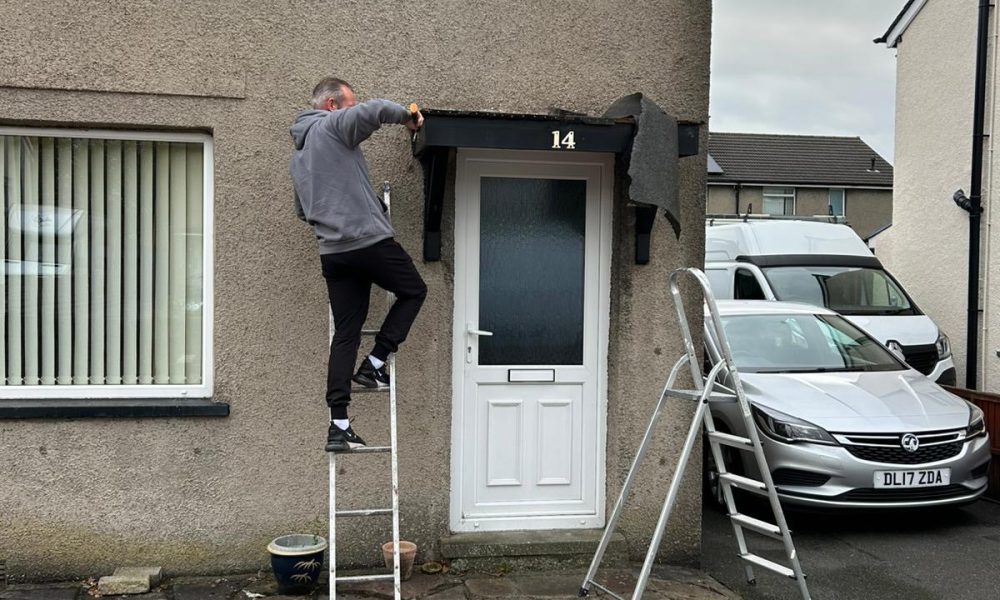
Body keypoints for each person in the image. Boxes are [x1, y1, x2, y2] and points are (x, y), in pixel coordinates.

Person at [289, 77, 428, 452]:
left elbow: (304, 212)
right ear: (333, 105)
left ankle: (338, 425)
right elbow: (378, 108)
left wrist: (348, 213)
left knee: (345, 333)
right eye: (350, 103)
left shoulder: (298, 157)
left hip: (333, 253)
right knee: (415, 290)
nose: (354, 109)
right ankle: (375, 363)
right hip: (368, 243)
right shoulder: (332, 125)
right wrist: (410, 117)